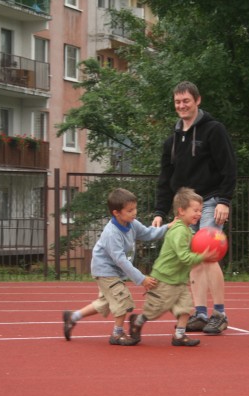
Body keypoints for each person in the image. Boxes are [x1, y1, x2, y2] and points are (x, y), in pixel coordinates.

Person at [152, 81, 237, 335]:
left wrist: (225, 200)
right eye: (177, 102)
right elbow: (165, 180)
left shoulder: (214, 130)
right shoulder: (172, 141)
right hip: (185, 206)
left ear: (197, 101)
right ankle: (200, 314)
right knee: (193, 261)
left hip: (211, 200)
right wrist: (159, 211)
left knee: (208, 254)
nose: (181, 106)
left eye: (186, 101)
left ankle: (219, 313)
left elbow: (229, 167)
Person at [62, 188, 174, 345]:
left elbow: (149, 234)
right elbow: (121, 260)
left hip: (114, 271)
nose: (134, 213)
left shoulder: (132, 224)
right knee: (122, 299)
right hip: (105, 270)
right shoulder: (112, 233)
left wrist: (168, 227)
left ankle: (72, 317)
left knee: (106, 302)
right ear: (116, 213)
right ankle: (117, 334)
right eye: (130, 210)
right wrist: (141, 279)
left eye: (135, 208)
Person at [129, 187, 219, 346]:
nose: (199, 214)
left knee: (185, 308)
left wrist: (209, 242)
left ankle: (179, 335)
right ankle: (138, 321)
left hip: (178, 280)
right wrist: (203, 256)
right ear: (181, 211)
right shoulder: (179, 231)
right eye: (196, 210)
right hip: (164, 279)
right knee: (155, 310)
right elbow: (184, 257)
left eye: (201, 210)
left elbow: (193, 245)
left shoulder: (187, 230)